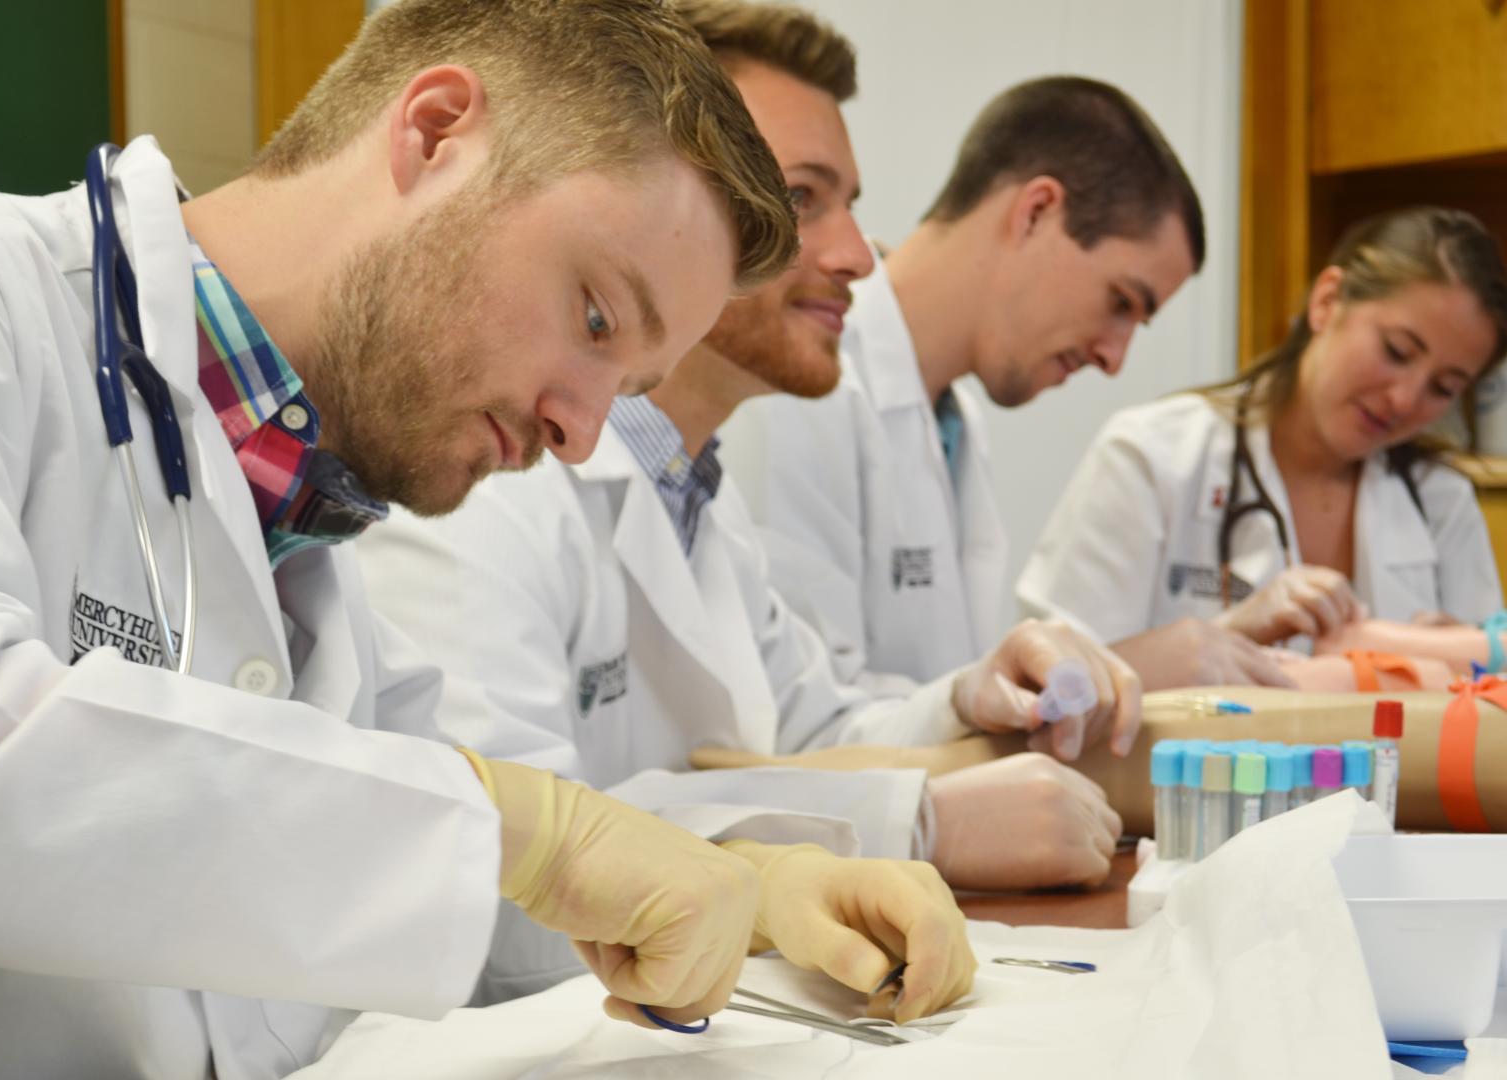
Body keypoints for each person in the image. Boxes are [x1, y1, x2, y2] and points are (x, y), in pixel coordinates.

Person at [0, 2, 967, 1076]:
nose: (582, 433)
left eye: (630, 384)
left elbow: (438, 875)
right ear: (435, 130)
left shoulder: (308, 532)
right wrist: (528, 834)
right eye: (595, 316)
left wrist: (749, 887)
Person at [359, 0, 1132, 1003]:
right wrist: (918, 824)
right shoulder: (483, 477)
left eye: (846, 202)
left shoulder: (695, 497)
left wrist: (966, 697)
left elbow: (807, 730)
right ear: (664, 208)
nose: (861, 255)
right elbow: (500, 877)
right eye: (803, 199)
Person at [719, 76, 1279, 693]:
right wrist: (1122, 673)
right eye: (1120, 301)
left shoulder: (955, 423)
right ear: (1036, 212)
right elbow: (806, 719)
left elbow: (948, 697)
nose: (1114, 358)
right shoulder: (799, 385)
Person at [1016, 207, 1507, 651]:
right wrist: (1227, 637)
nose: (1404, 399)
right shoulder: (1153, 458)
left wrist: (1456, 662)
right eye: (1397, 351)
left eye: (1444, 388)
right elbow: (1057, 686)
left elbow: (1501, 693)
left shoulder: (1440, 503)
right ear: (1327, 300)